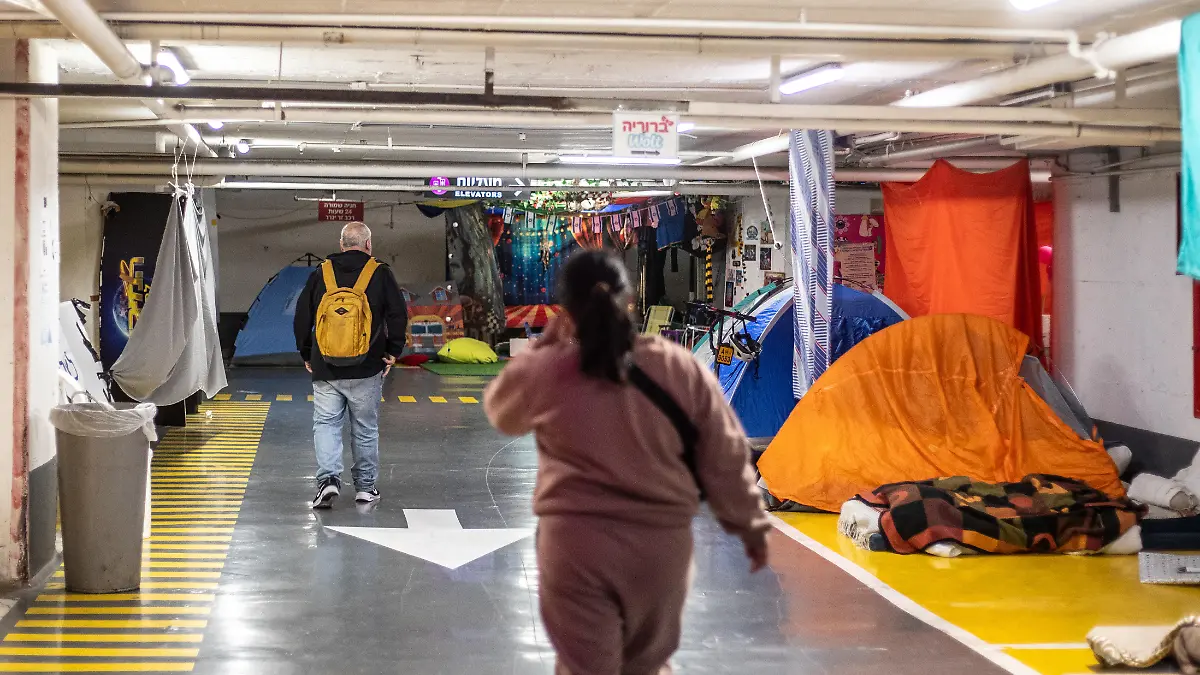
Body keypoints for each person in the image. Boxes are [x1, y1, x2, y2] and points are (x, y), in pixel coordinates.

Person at [483, 250, 769, 675]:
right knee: (647, 666)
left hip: (576, 545)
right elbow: (725, 454)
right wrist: (749, 524)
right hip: (660, 548)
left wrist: (543, 347)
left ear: (565, 308)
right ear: (629, 301)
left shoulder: (550, 369)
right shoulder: (677, 366)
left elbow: (501, 414)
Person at [294, 221, 407, 509]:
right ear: (368, 245)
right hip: (367, 366)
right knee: (365, 428)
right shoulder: (380, 273)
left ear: (341, 243)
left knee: (326, 424)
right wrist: (392, 351)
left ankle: (328, 481)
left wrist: (307, 353)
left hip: (326, 366)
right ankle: (365, 488)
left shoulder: (321, 273)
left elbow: (302, 317)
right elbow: (397, 315)